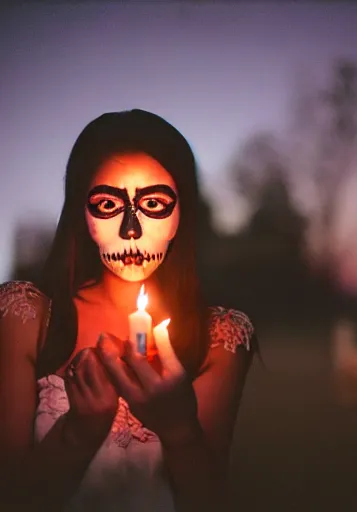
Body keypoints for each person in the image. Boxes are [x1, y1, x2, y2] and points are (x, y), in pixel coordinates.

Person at [0, 109, 256, 512]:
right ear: (80, 214)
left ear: (182, 214)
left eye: (154, 203)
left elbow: (209, 499)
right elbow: (12, 495)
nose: (131, 230)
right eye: (108, 204)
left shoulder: (221, 336)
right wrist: (77, 433)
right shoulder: (26, 317)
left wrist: (179, 428)